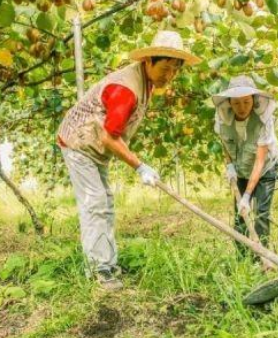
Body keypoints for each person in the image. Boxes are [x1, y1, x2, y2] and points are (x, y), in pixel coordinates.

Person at [57, 31, 201, 290]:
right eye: (165, 68)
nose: (169, 76)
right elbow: (110, 138)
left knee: (106, 202)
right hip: (78, 143)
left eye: (175, 70)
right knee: (95, 203)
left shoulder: (147, 82)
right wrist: (140, 166)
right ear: (148, 61)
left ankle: (108, 263)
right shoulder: (126, 89)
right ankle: (100, 270)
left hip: (94, 146)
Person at [212, 76, 278, 258]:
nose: (241, 107)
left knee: (260, 213)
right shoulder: (222, 119)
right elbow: (225, 144)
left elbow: (259, 161)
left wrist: (248, 195)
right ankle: (242, 257)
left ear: (254, 100)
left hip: (264, 169)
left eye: (246, 102)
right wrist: (229, 166)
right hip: (240, 169)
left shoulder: (264, 120)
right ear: (229, 103)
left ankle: (263, 257)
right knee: (240, 214)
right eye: (236, 103)